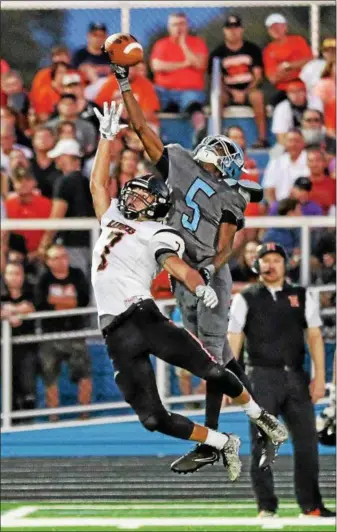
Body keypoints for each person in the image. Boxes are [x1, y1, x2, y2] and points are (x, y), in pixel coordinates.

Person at [102, 55, 286, 471]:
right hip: (189, 273)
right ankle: (260, 416)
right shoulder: (225, 189)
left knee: (211, 359)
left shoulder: (187, 166)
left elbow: (143, 129)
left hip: (203, 275)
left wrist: (125, 85)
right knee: (212, 355)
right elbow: (226, 244)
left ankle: (214, 436)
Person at [228, 242, 335, 518]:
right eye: (265, 259)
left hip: (296, 376)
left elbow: (314, 335)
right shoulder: (246, 297)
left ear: (285, 264)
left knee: (308, 443)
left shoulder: (301, 295)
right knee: (262, 444)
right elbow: (234, 339)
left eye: (276, 259)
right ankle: (266, 506)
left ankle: (311, 506)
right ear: (257, 265)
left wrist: (320, 376)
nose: (270, 264)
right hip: (260, 376)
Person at [35, 244, 92, 422]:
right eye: (55, 258)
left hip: (75, 333)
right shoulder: (44, 279)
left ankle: (84, 413)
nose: (61, 261)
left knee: (84, 374)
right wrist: (69, 301)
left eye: (63, 256)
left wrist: (57, 303)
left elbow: (83, 300)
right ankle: (54, 416)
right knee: (50, 375)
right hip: (51, 335)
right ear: (48, 262)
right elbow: (41, 303)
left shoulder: (77, 275)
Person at [209, 14, 268, 148]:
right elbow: (217, 80)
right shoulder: (217, 53)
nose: (233, 31)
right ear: (224, 31)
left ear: (241, 29)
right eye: (230, 28)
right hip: (228, 92)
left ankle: (262, 138)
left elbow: (258, 76)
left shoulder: (252, 50)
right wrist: (233, 92)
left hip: (249, 90)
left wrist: (245, 92)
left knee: (258, 96)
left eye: (236, 27)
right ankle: (216, 139)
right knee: (217, 99)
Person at [37, 139, 94, 275]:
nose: (56, 160)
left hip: (72, 244)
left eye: (59, 156)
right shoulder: (87, 181)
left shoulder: (63, 181)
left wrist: (45, 243)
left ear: (68, 157)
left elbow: (57, 215)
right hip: (92, 240)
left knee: (77, 285)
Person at [150, 12, 208, 133]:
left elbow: (200, 64)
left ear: (187, 26)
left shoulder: (197, 43)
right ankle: (151, 137)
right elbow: (157, 66)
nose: (178, 28)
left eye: (182, 24)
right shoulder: (161, 44)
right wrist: (184, 64)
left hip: (189, 92)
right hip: (164, 91)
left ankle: (200, 135)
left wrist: (183, 45)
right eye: (175, 25)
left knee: (195, 106)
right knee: (147, 99)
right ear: (169, 27)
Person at [1, 261, 37, 414]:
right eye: (10, 273)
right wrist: (11, 314)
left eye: (17, 273)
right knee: (9, 386)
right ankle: (12, 420)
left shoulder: (31, 291)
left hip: (27, 346)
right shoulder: (2, 293)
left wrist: (10, 311)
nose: (14, 277)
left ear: (23, 276)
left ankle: (29, 420)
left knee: (27, 386)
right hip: (4, 348)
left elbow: (31, 307)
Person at [263, 13, 313, 105]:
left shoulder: (298, 40)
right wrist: (297, 68)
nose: (276, 30)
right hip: (284, 89)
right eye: (272, 28)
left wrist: (288, 66)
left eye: (278, 26)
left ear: (285, 27)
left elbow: (309, 61)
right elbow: (272, 78)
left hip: (305, 85)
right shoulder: (268, 50)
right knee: (274, 102)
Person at [5, 166, 52, 259]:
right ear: (13, 184)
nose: (23, 184)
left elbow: (52, 232)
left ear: (35, 182)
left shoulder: (47, 204)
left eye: (27, 179)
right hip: (14, 255)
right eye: (19, 180)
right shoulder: (7, 205)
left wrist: (39, 252)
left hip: (42, 254)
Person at [262, 129, 309, 204]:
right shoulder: (276, 161)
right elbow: (269, 189)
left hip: (305, 206)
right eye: (290, 141)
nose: (293, 144)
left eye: (297, 141)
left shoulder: (311, 160)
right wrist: (275, 208)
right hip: (280, 207)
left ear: (303, 143)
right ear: (285, 143)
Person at [271, 79, 322, 147]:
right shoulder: (281, 108)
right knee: (276, 151)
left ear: (305, 92)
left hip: (316, 137)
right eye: (292, 92)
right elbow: (281, 138)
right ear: (287, 94)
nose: (296, 95)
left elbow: (324, 127)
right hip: (292, 141)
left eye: (299, 91)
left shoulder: (317, 103)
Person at [30, 126, 62, 199]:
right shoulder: (28, 164)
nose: (43, 140)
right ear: (33, 141)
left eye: (47, 137)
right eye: (39, 137)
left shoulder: (60, 163)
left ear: (54, 140)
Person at [306, 147, 336, 215]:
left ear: (325, 163)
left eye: (318, 160)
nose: (314, 164)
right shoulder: (300, 184)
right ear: (307, 164)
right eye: (311, 161)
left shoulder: (334, 184)